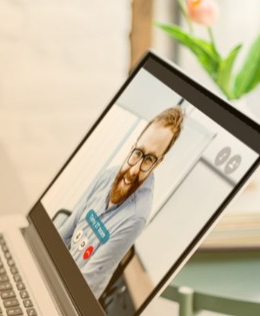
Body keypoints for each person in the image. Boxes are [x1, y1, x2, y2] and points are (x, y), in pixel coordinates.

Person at [56, 106, 185, 297]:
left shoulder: (137, 216)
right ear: (132, 146)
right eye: (138, 152)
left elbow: (86, 283)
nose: (134, 170)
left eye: (149, 159)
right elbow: (67, 230)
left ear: (159, 162)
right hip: (61, 272)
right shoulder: (108, 175)